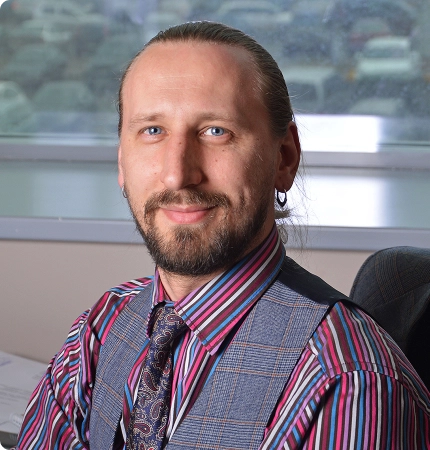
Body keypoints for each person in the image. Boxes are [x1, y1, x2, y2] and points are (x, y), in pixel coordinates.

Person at [15, 22, 429, 450]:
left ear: (284, 158)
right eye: (152, 131)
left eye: (216, 131)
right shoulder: (100, 330)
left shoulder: (349, 386)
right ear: (122, 161)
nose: (177, 174)